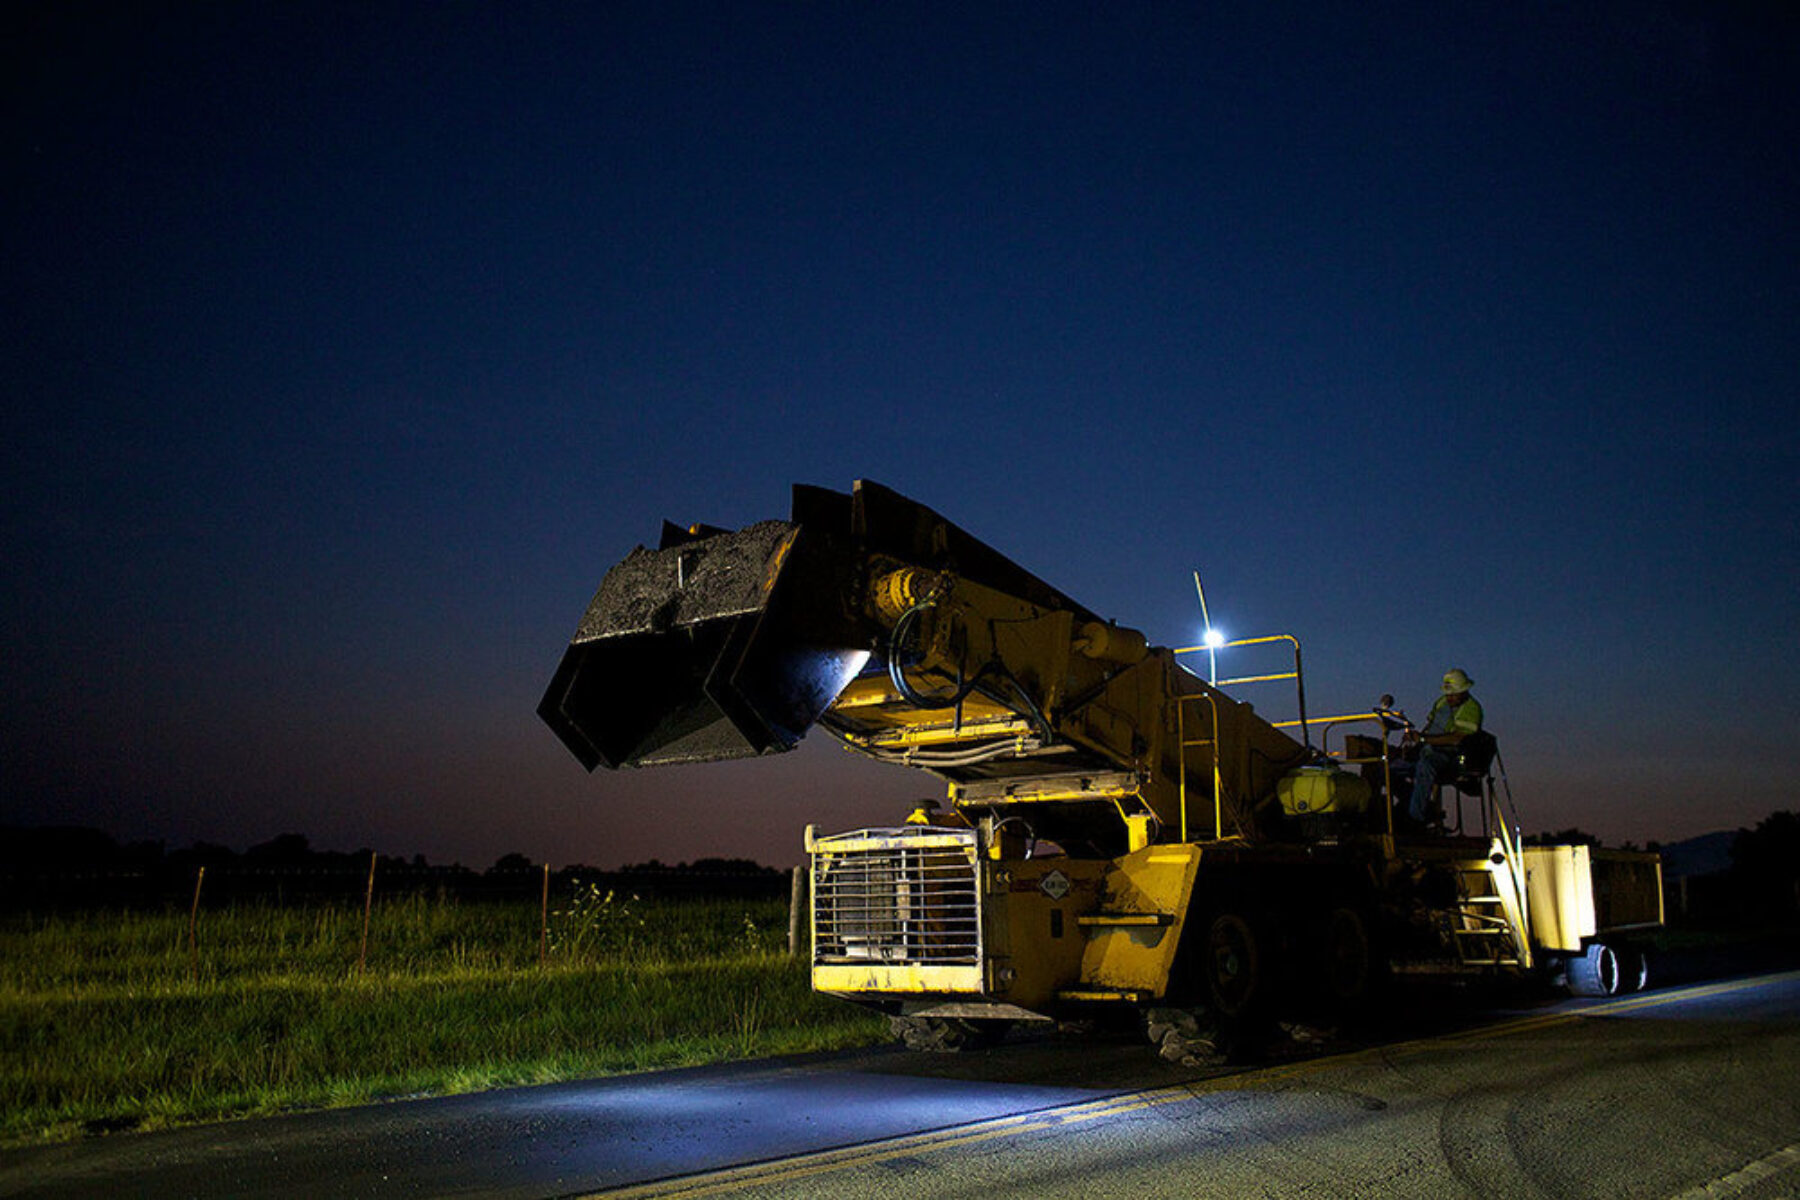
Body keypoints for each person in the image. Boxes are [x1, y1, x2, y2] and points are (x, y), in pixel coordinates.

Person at [1406, 668, 1483, 827]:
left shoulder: (1471, 709)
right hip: (1430, 750)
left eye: (1453, 694)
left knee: (1425, 764)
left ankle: (1415, 820)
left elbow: (1457, 739)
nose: (1449, 697)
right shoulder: (1441, 703)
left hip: (1453, 758)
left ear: (1464, 691)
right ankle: (1415, 808)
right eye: (1448, 694)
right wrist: (1416, 738)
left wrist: (1423, 739)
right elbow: (1430, 727)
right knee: (1391, 767)